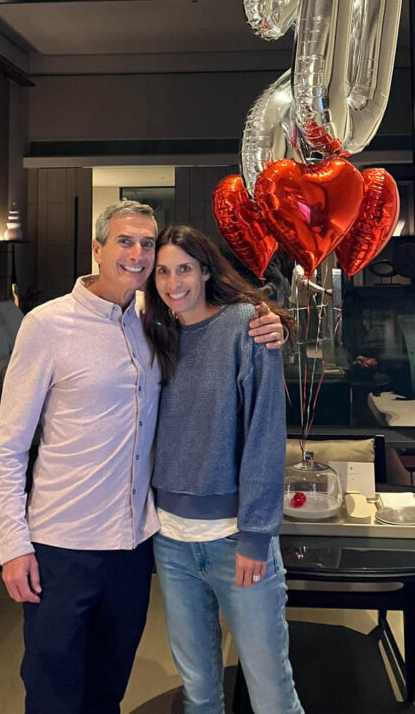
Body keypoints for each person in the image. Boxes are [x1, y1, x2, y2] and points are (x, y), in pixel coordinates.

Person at [0, 200, 285, 714]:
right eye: (126, 241)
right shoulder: (47, 325)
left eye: (148, 244)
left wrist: (274, 326)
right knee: (53, 689)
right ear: (97, 248)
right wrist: (12, 543)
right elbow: (10, 447)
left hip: (135, 545)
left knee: (109, 688)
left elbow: (221, 337)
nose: (139, 254)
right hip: (61, 546)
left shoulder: (153, 321)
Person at [142, 225, 304, 714]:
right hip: (170, 541)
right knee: (198, 692)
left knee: (271, 693)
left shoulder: (245, 325)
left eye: (185, 269)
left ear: (207, 270)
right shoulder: (155, 335)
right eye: (163, 272)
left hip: (236, 540)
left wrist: (256, 534)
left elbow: (265, 433)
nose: (174, 283)